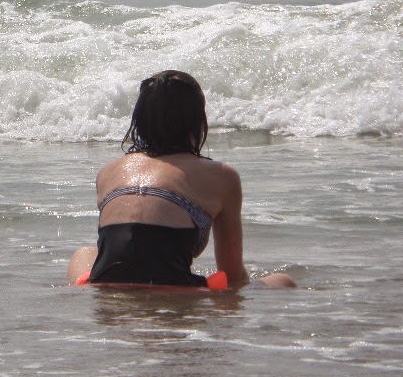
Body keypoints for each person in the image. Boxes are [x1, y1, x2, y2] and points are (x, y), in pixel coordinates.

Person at [67, 70, 295, 289]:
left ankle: (88, 288)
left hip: (107, 290)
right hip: (176, 290)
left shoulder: (108, 171)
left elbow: (128, 251)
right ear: (197, 121)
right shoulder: (222, 176)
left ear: (140, 121)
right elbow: (232, 275)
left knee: (84, 254)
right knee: (283, 281)